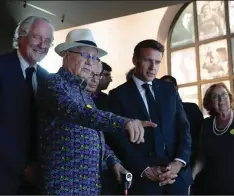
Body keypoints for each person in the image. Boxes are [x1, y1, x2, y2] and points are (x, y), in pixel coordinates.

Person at [37, 29, 156, 195]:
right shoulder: (53, 83)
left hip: (91, 186)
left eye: (94, 58)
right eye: (84, 55)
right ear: (66, 55)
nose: (89, 62)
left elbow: (95, 134)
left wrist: (114, 162)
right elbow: (77, 113)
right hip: (64, 185)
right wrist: (123, 122)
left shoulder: (84, 93)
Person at [107, 39, 192, 194]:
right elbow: (117, 139)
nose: (153, 67)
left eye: (157, 62)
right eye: (148, 60)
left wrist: (178, 163)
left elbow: (184, 128)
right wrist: (144, 169)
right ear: (135, 60)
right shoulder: (117, 95)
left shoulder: (169, 90)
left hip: (176, 176)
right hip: (143, 181)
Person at [0, 16, 53, 194]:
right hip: (0, 177)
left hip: (38, 180)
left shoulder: (47, 79)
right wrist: (22, 167)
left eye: (47, 41)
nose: (42, 44)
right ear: (21, 36)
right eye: (37, 37)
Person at [86, 61, 131, 194]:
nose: (109, 79)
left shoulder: (107, 99)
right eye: (104, 75)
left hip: (109, 155)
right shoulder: (75, 96)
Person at [160, 75, 203, 167]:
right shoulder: (158, 113)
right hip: (168, 164)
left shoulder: (192, 109)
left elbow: (200, 136)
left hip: (192, 160)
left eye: (170, 87)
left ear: (176, 88)